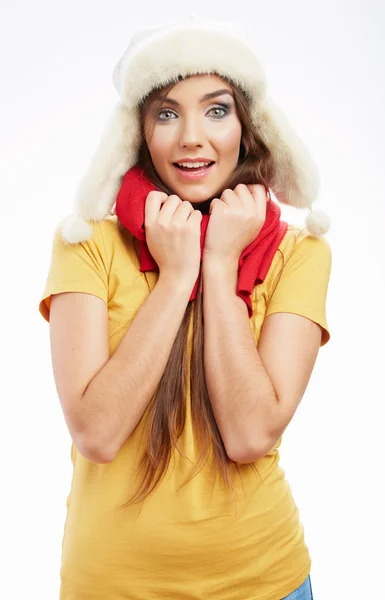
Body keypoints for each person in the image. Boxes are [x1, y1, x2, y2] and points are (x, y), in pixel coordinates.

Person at [39, 15, 331, 600]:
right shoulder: (88, 244)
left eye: (217, 110)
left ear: (248, 128)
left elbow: (250, 434)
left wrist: (219, 265)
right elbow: (96, 432)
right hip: (110, 586)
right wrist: (177, 276)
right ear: (139, 133)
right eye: (167, 113)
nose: (191, 137)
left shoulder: (300, 253)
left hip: (264, 582)